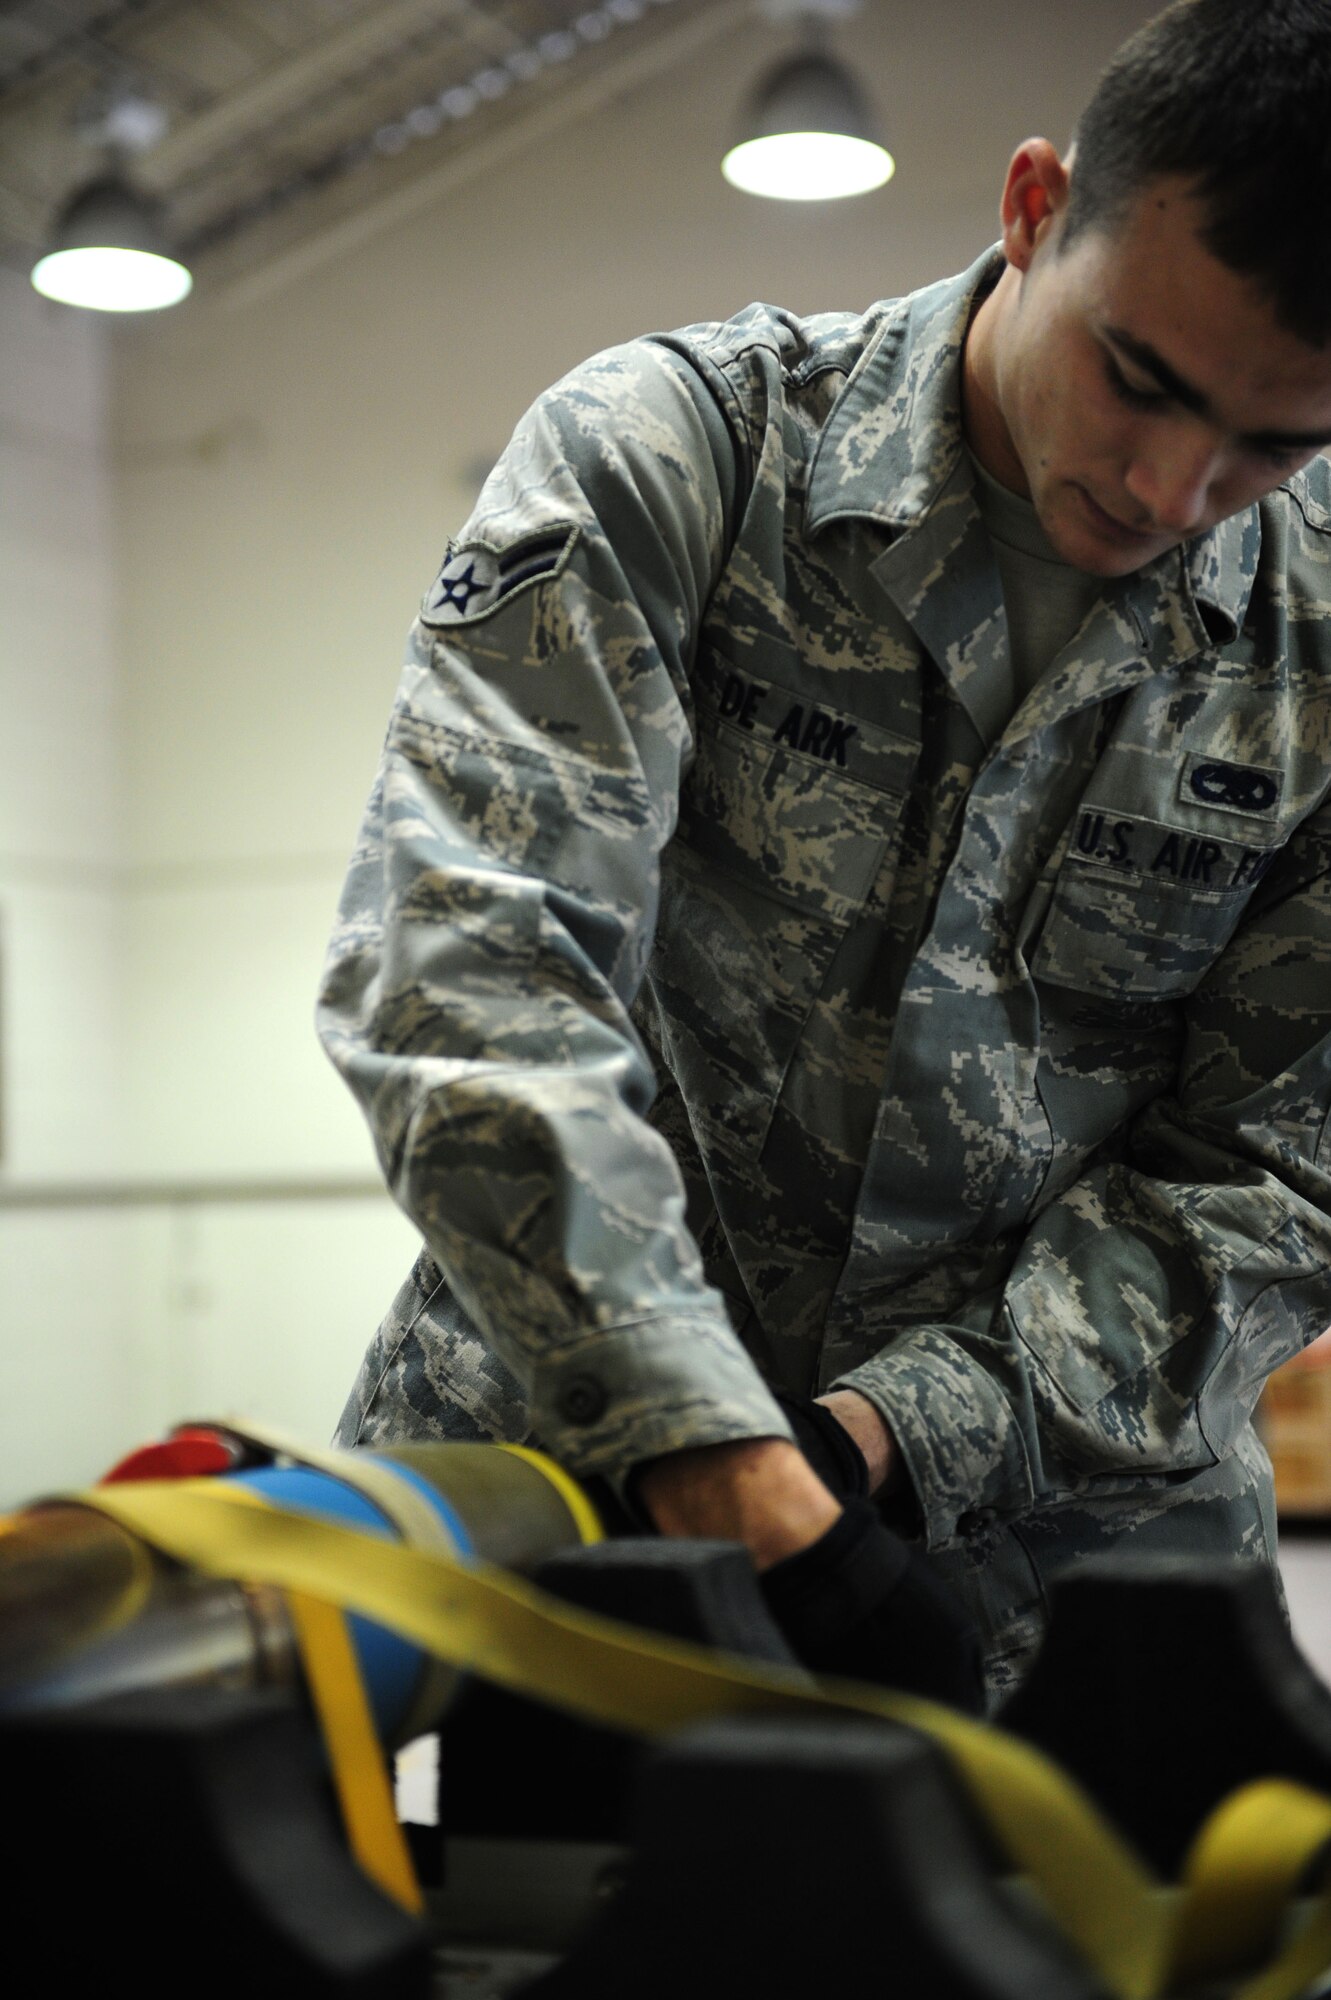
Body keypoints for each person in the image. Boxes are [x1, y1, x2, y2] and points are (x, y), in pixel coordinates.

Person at [318, 0, 1331, 1708]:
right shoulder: (681, 462)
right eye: (1139, 378)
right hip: (571, 1505)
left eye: (1278, 443)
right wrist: (716, 1456)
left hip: (1057, 1579)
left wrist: (888, 1442)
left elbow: (1281, 1177)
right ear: (1033, 209)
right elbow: (473, 970)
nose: (1175, 487)